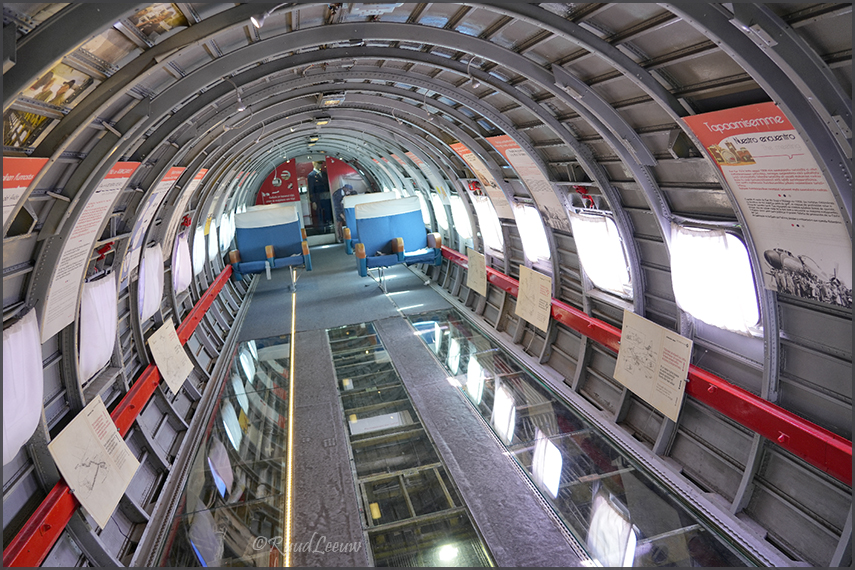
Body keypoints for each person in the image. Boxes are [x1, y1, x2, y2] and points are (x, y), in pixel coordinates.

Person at [307, 162, 332, 227]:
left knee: (328, 211)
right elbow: (311, 189)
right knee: (320, 214)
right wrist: (313, 201)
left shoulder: (324, 174)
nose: (320, 165)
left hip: (327, 196)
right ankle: (321, 228)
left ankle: (329, 223)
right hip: (318, 198)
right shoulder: (311, 175)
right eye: (318, 163)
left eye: (320, 163)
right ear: (314, 163)